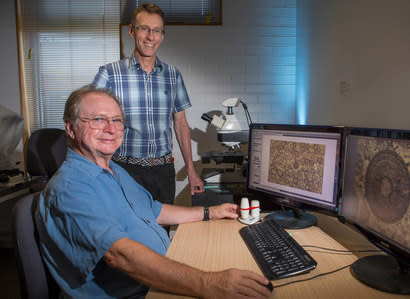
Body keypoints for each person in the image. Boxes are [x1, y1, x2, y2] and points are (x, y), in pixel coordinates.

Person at [35, 86, 271, 298]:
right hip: (135, 293)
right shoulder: (70, 189)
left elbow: (154, 209)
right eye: (98, 119)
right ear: (71, 128)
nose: (111, 128)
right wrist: (208, 283)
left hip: (154, 278)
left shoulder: (114, 170)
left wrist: (210, 212)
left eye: (117, 120)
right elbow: (120, 256)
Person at [92, 3, 204, 205]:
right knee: (129, 232)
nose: (151, 37)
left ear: (162, 35)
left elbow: (180, 124)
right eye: (144, 29)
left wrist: (191, 170)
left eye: (157, 31)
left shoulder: (172, 75)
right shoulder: (110, 74)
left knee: (162, 233)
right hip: (124, 171)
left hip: (163, 172)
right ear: (131, 31)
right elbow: (89, 120)